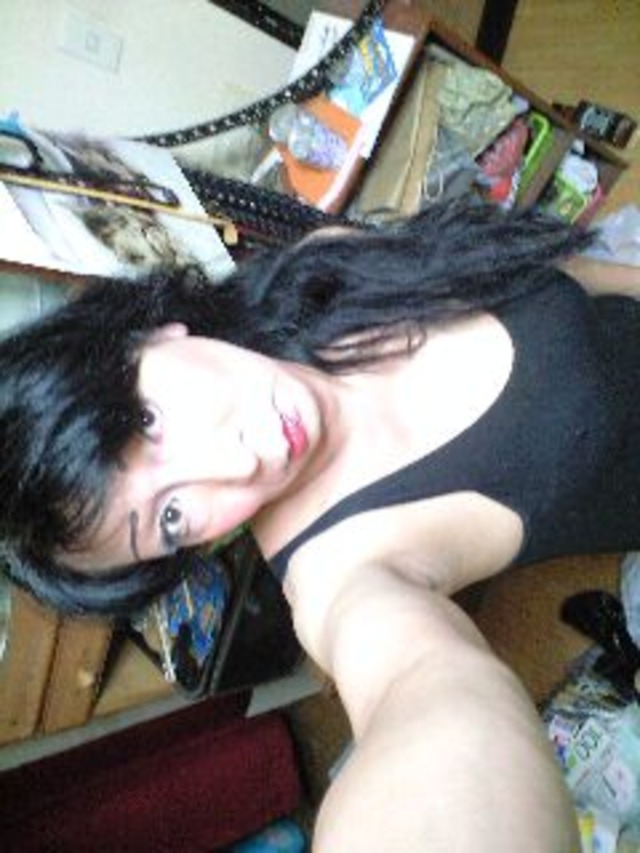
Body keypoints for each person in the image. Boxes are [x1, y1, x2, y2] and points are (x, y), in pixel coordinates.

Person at [1, 198, 640, 851]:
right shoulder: (335, 577)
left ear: (153, 334)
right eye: (171, 516)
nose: (237, 463)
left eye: (147, 422)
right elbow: (425, 697)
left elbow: (557, 276)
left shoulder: (319, 271)